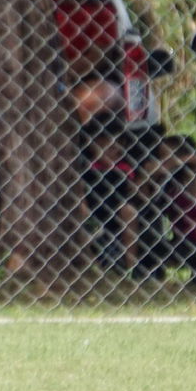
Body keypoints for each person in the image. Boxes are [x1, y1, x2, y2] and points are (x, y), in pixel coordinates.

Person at [141, 132, 196, 281]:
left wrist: (168, 164)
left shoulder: (189, 180)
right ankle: (153, 277)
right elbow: (145, 189)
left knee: (189, 251)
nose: (161, 161)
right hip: (181, 240)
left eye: (165, 156)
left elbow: (194, 160)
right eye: (160, 156)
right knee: (149, 252)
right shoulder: (167, 184)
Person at [79, 111, 141, 274]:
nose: (115, 151)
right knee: (81, 212)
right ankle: (91, 267)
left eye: (118, 147)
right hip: (92, 211)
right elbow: (80, 188)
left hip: (115, 212)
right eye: (108, 146)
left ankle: (130, 266)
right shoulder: (87, 167)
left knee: (129, 212)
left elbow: (131, 191)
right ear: (93, 145)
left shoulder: (124, 168)